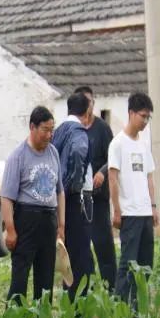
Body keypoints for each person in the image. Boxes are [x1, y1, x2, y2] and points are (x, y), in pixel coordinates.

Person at [0, 106, 65, 303]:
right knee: (20, 279)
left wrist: (61, 225)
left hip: (48, 220)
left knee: (45, 279)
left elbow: (60, 191)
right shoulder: (18, 156)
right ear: (32, 127)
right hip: (26, 219)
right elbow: (6, 197)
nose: (49, 135)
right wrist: (10, 229)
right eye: (45, 130)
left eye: (52, 130)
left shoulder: (53, 152)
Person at [108, 92, 158, 318]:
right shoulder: (118, 144)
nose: (145, 121)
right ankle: (121, 314)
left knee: (145, 266)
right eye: (143, 116)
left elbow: (149, 177)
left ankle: (137, 314)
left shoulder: (144, 143)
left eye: (148, 117)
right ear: (131, 113)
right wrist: (117, 210)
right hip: (129, 214)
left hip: (145, 213)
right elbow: (112, 179)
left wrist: (153, 206)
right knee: (128, 266)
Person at [74, 86, 117, 291]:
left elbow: (113, 158)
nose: (88, 106)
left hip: (98, 198)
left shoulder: (102, 129)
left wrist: (101, 172)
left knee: (103, 245)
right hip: (78, 199)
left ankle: (112, 290)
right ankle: (87, 290)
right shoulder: (73, 129)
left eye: (90, 102)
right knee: (82, 248)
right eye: (84, 102)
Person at [52, 92, 93, 300]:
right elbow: (78, 152)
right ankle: (78, 308)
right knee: (80, 258)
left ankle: (68, 301)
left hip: (55, 201)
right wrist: (74, 185)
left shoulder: (57, 131)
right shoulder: (79, 132)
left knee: (66, 254)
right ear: (87, 112)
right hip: (72, 201)